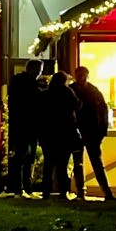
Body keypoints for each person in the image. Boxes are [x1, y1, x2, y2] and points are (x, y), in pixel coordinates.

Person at [70, 64, 113, 200]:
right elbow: (103, 110)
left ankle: (102, 192)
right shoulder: (90, 90)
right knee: (86, 162)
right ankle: (85, 192)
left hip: (88, 131)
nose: (81, 78)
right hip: (83, 130)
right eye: (79, 75)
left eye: (83, 75)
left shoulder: (78, 90)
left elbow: (104, 110)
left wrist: (103, 129)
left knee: (91, 162)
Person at [39, 70, 81, 198]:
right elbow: (78, 105)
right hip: (65, 133)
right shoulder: (67, 92)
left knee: (48, 164)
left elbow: (40, 113)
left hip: (48, 133)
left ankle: (46, 191)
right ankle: (63, 191)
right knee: (62, 165)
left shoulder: (46, 94)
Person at [6, 60, 41, 195]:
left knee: (19, 156)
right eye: (39, 70)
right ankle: (25, 186)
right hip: (29, 124)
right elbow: (35, 103)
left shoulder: (16, 82)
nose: (40, 73)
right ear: (33, 70)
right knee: (27, 157)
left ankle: (17, 186)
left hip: (18, 123)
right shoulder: (32, 84)